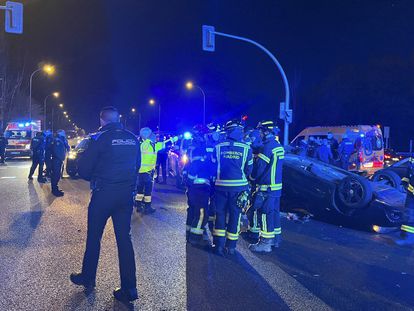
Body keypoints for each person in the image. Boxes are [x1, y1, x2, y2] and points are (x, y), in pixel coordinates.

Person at [70, 106, 140, 302]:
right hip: (126, 195)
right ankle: (129, 288)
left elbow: (83, 170)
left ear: (102, 120)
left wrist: (98, 175)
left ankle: (88, 277)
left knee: (94, 238)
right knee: (124, 240)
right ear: (118, 119)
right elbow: (137, 166)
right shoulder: (132, 138)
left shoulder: (99, 138)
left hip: (103, 194)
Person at [212, 120, 253, 256]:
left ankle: (218, 245)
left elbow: (212, 166)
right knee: (235, 216)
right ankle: (231, 247)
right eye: (240, 130)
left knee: (220, 215)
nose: (242, 132)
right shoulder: (246, 148)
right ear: (236, 131)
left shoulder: (218, 147)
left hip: (220, 187)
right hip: (238, 188)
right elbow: (249, 169)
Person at [247, 121, 284, 253]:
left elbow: (259, 169)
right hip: (276, 188)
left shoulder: (267, 148)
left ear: (266, 132)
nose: (260, 134)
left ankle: (265, 243)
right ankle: (275, 240)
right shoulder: (277, 146)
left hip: (266, 188)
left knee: (264, 214)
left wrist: (251, 178)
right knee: (273, 214)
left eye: (261, 132)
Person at [183, 127, 215, 247]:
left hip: (193, 186)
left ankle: (189, 233)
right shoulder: (201, 149)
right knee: (202, 213)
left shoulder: (192, 148)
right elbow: (196, 166)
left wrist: (188, 182)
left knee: (192, 209)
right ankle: (195, 237)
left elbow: (186, 167)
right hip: (200, 185)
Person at [135, 128, 177, 214]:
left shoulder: (140, 144)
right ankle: (147, 207)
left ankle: (138, 206)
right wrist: (175, 139)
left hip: (139, 172)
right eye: (151, 134)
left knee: (139, 191)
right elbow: (163, 144)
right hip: (148, 172)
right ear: (148, 136)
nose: (154, 136)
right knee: (148, 191)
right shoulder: (151, 145)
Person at [395, 158, 414, 246]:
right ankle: (407, 238)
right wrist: (404, 182)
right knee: (408, 215)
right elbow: (409, 171)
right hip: (411, 193)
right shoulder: (412, 159)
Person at [50, 130, 70, 196]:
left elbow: (67, 147)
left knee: (57, 175)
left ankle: (55, 188)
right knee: (56, 175)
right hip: (56, 160)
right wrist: (61, 158)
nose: (64, 134)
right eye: (63, 133)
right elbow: (57, 151)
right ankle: (54, 190)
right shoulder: (57, 140)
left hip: (58, 160)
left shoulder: (62, 139)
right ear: (60, 133)